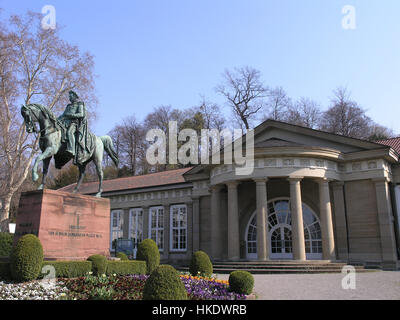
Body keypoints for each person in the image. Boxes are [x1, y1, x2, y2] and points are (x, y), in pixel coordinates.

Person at [58, 90, 90, 165]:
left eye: (70, 96)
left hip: (74, 123)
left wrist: (71, 115)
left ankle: (71, 149)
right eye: (69, 96)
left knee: (69, 132)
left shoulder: (80, 104)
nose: (69, 98)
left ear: (74, 96)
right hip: (65, 123)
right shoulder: (68, 106)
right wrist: (56, 120)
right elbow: (63, 115)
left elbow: (81, 114)